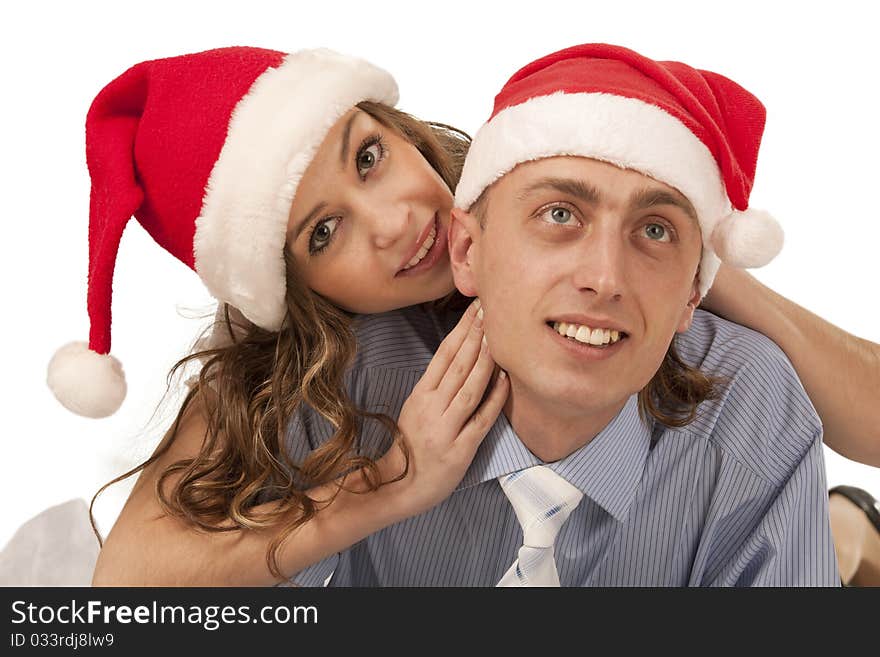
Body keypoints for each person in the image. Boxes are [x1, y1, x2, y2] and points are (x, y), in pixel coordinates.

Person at [65, 45, 874, 586]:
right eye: (323, 232)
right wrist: (383, 487)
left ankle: (842, 528)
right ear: (295, 294)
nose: (392, 222)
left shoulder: (557, 189)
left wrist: (694, 268)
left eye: (369, 157)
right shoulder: (308, 361)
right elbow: (126, 583)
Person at [285, 43, 841, 586]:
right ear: (465, 251)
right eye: (559, 214)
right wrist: (379, 488)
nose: (604, 279)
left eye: (654, 230)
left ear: (693, 295)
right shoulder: (346, 381)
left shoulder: (753, 406)